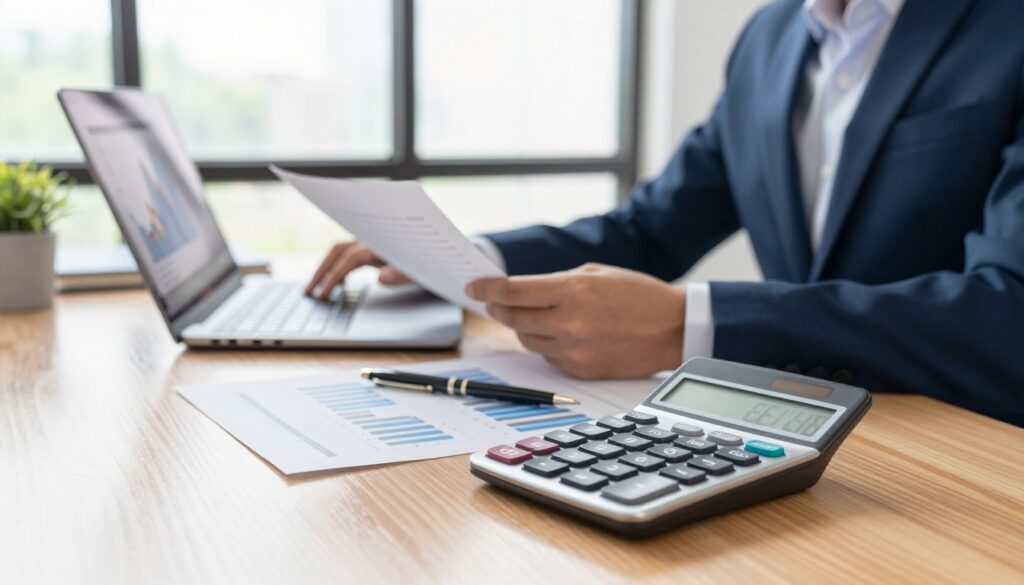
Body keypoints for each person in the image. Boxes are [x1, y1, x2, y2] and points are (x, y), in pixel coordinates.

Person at [308, 0, 1024, 426]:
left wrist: (692, 325)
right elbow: (650, 229)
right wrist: (464, 261)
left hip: (971, 455)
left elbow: (1008, 313)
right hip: (803, 437)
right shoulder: (769, 38)